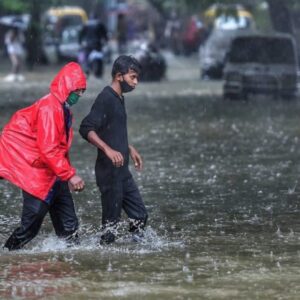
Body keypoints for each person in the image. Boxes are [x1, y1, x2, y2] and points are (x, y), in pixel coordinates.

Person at [0, 62, 86, 251]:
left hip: (55, 174)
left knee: (70, 231)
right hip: (37, 175)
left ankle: (70, 271)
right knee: (29, 229)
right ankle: (6, 255)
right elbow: (49, 149)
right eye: (77, 90)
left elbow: (60, 148)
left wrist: (67, 175)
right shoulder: (50, 108)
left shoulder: (63, 109)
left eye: (81, 92)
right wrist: (70, 175)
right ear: (67, 87)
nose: (79, 95)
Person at [79, 55, 148, 244]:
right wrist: (108, 150)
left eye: (137, 78)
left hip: (122, 171)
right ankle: (104, 262)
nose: (136, 82)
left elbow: (111, 130)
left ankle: (134, 253)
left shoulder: (119, 98)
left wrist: (128, 147)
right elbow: (86, 128)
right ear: (119, 76)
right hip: (109, 172)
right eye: (132, 77)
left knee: (140, 216)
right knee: (111, 227)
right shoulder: (106, 98)